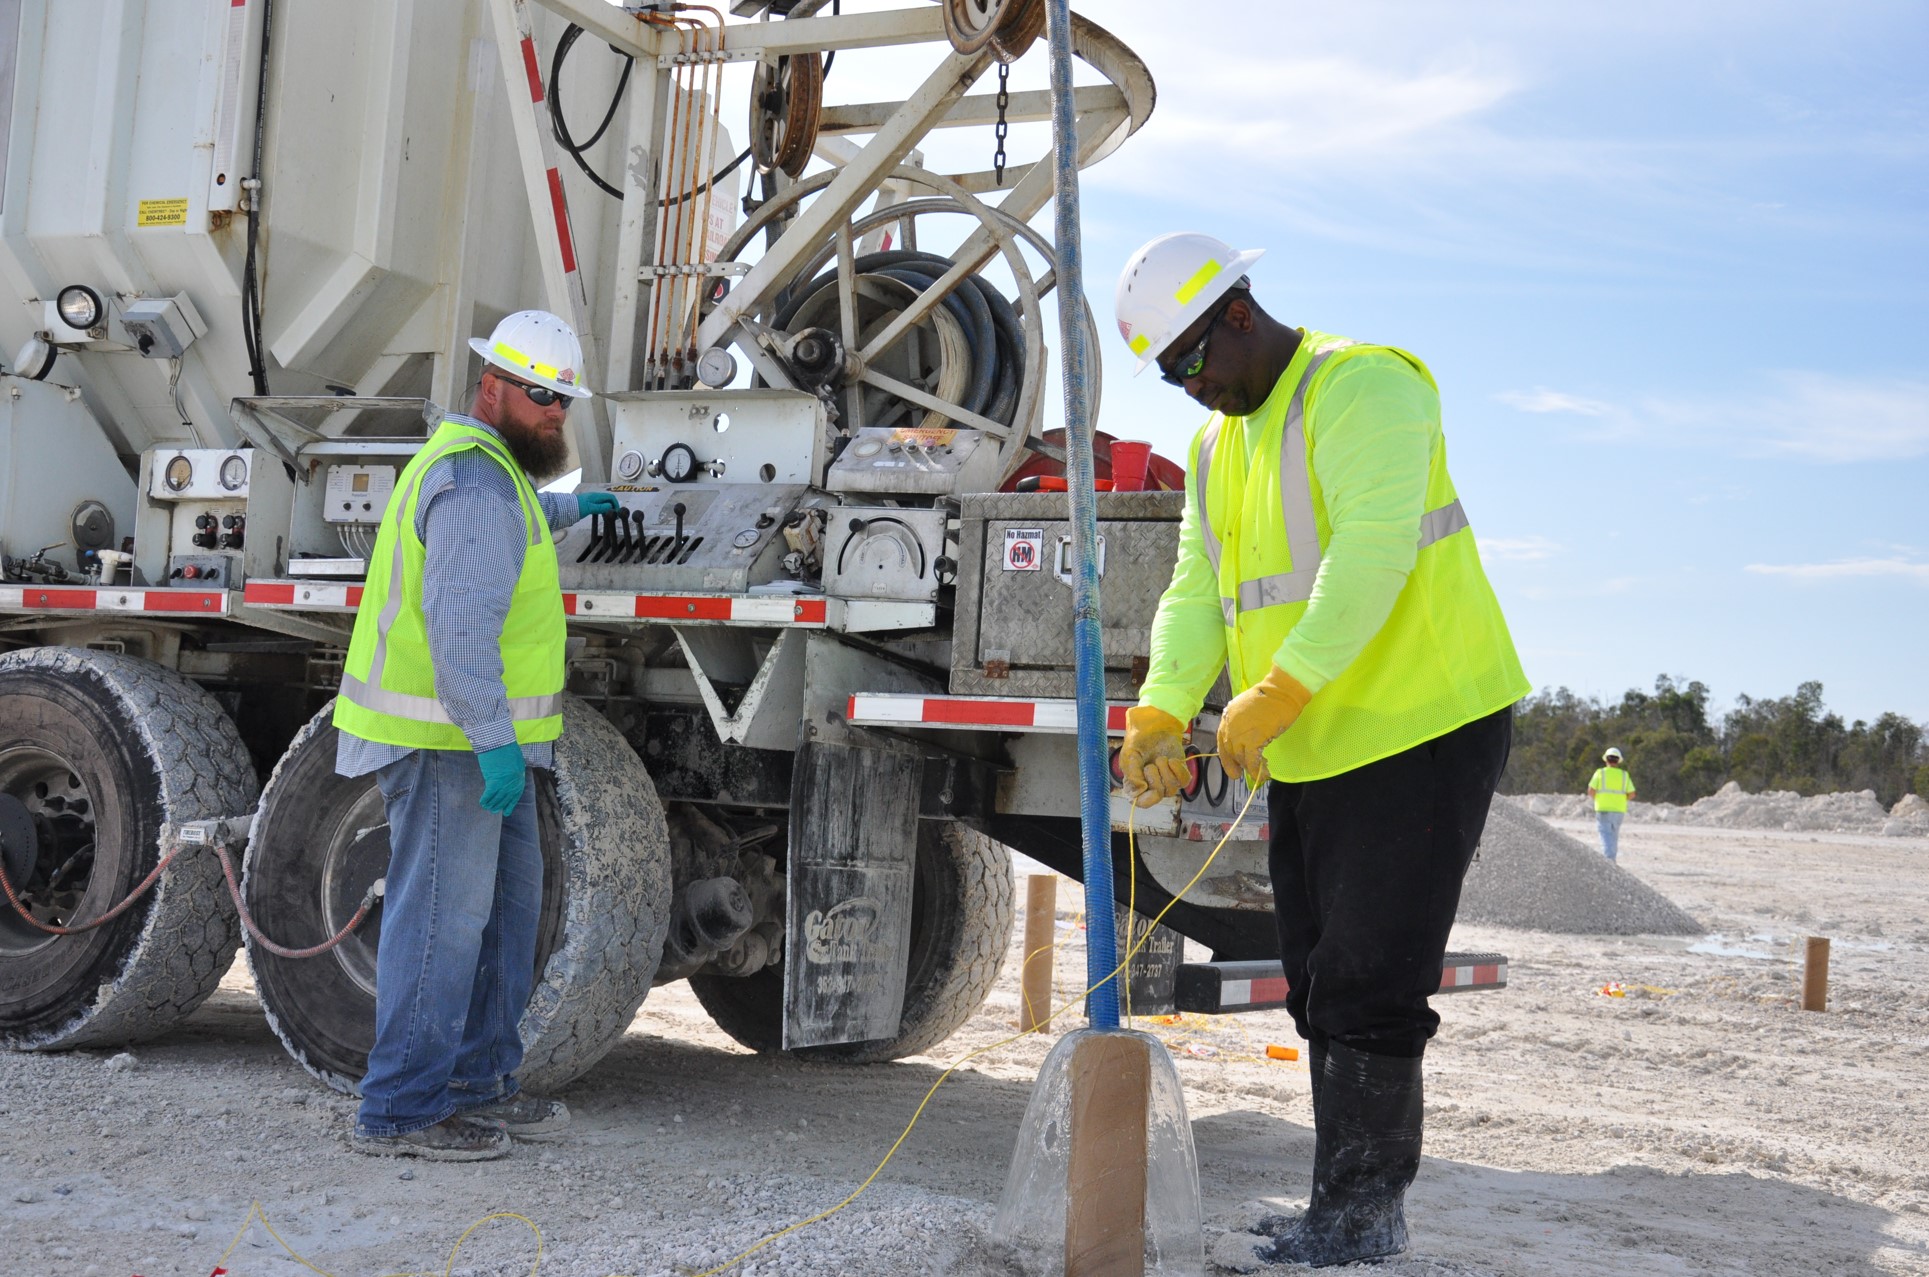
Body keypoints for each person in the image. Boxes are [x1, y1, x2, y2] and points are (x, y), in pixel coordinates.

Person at [1114, 233, 1531, 1267]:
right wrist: (1164, 708)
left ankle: (1363, 1215)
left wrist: (1283, 684)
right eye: (1169, 376)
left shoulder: (1363, 387)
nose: (1191, 389)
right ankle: (1332, 1204)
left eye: (1193, 361)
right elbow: (1194, 591)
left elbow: (1374, 549)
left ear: (1240, 314)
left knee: (1370, 974)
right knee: (1313, 976)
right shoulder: (1219, 450)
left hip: (1421, 725)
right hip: (1317, 743)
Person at [332, 311, 621, 1160]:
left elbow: (514, 520)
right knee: (441, 925)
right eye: (541, 395)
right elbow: (460, 634)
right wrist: (494, 741)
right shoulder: (475, 484)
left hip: (484, 746)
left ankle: (476, 1081)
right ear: (492, 384)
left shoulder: (497, 477)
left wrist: (568, 505)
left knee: (507, 915)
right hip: (450, 745)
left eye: (562, 400)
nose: (554, 414)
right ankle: (400, 1110)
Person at [1587, 747, 1636, 861]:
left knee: (1605, 836)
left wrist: (1598, 799)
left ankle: (1609, 861)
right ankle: (1612, 861)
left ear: (1606, 760)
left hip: (1603, 808)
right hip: (1619, 810)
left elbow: (1590, 790)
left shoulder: (1600, 773)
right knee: (1613, 837)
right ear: (1618, 761)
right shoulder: (1624, 775)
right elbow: (1632, 794)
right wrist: (1620, 800)